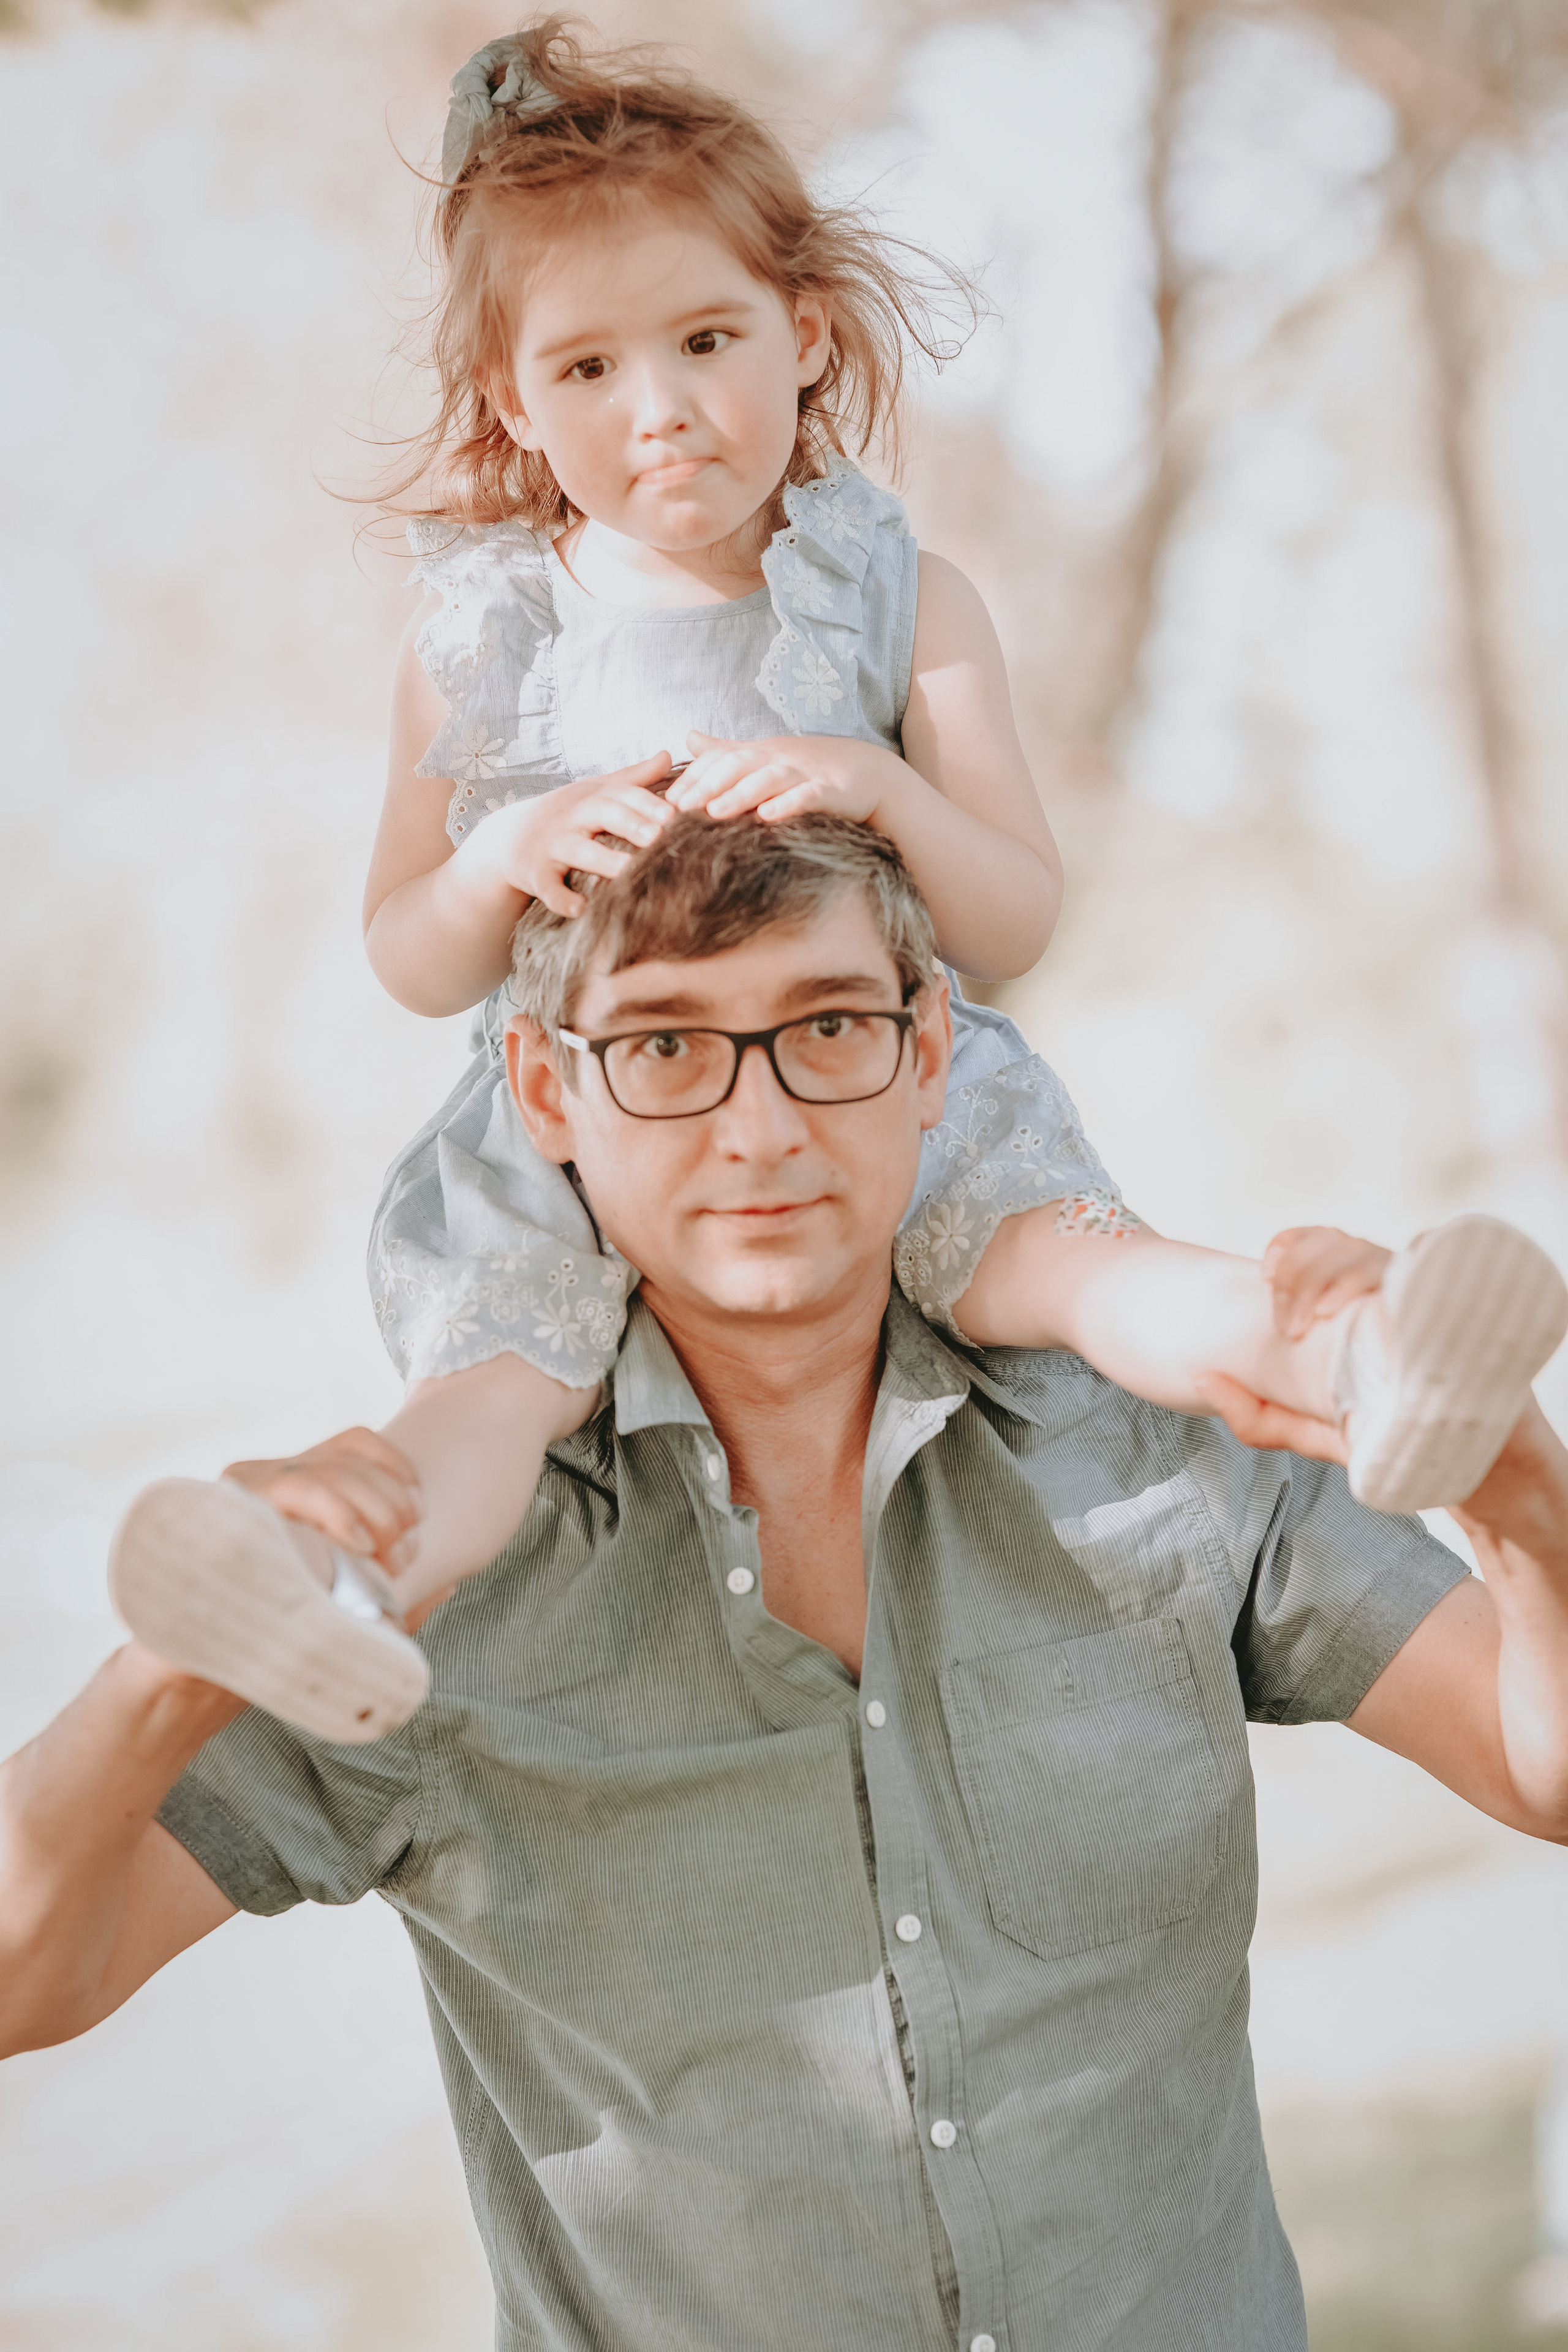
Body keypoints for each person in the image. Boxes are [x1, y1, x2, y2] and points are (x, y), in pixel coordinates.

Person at [107, 18, 1566, 1746]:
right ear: (513, 396)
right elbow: (409, 955)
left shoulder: (898, 597)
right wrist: (498, 857)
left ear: (801, 336)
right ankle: (324, 1585)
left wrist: (881, 786)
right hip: (572, 1123)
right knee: (496, 1402)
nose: (657, 413)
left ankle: (1363, 1365)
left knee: (1097, 1278)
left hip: (893, 1083)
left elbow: (1014, 923)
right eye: (584, 371)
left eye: (706, 339)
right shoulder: (482, 644)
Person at [6, 812, 1568, 2352]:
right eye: (666, 1048)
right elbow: (26, 1977)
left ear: (930, 1049)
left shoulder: (1161, 1448)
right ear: (549, 1087)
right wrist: (176, 1669)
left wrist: (1517, 1494)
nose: (759, 1132)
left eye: (826, 1026)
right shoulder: (422, 1576)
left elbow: (1538, 1763)